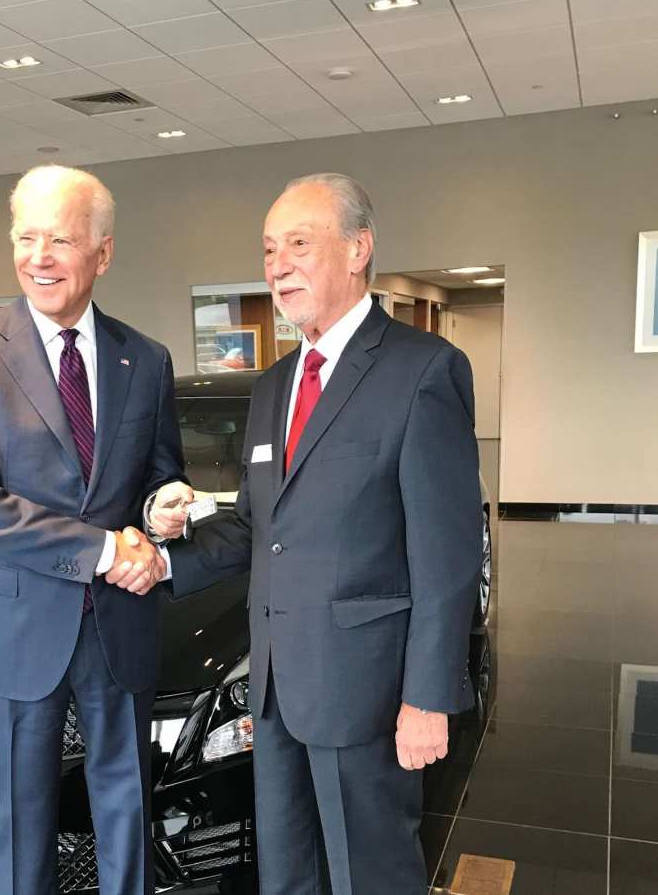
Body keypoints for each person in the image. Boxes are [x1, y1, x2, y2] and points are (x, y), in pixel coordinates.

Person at [151, 172, 481, 894]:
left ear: (358, 249)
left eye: (299, 243)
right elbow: (255, 525)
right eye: (270, 249)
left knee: (372, 875)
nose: (277, 264)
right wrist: (158, 561)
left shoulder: (423, 371)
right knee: (288, 872)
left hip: (366, 689)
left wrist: (427, 697)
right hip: (275, 690)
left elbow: (448, 557)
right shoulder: (273, 386)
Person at [0, 164, 187, 895]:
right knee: (22, 821)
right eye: (26, 237)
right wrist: (107, 548)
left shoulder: (146, 358)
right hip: (15, 625)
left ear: (102, 254)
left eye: (61, 240)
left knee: (127, 808)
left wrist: (160, 511)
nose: (39, 256)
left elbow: (154, 480)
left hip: (119, 623)